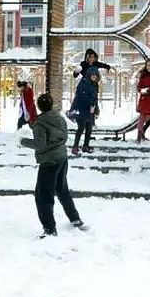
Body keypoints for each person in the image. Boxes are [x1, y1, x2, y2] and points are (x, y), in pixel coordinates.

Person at [20, 93, 88, 238]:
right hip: (62, 158)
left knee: (43, 195)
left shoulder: (40, 123)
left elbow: (39, 144)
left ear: (39, 107)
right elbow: (61, 136)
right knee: (62, 190)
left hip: (49, 162)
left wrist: (22, 141)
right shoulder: (60, 118)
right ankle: (75, 219)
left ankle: (50, 229)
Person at [70, 66, 100, 154]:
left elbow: (95, 99)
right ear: (89, 75)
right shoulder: (83, 83)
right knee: (81, 128)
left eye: (96, 76)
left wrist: (96, 109)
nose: (94, 77)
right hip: (81, 109)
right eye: (92, 75)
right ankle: (75, 146)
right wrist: (92, 102)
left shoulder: (95, 85)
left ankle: (85, 146)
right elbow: (83, 97)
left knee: (89, 128)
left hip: (89, 110)